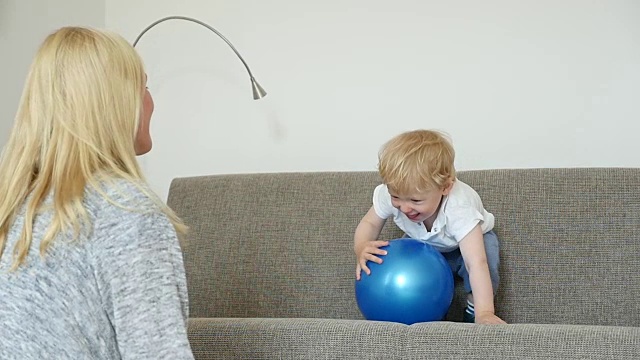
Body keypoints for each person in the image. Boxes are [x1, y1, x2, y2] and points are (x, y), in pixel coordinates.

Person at [0, 26, 195, 358]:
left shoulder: (17, 211)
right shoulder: (127, 211)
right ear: (115, 103)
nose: (151, 102)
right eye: (143, 86)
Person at [354, 129, 506, 325]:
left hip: (466, 244)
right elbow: (370, 222)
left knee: (486, 259)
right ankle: (428, 315)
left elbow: (476, 262)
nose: (405, 207)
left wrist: (485, 312)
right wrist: (362, 246)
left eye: (416, 200)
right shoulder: (393, 192)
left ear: (445, 187)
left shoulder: (459, 207)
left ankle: (475, 308)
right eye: (396, 197)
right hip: (422, 246)